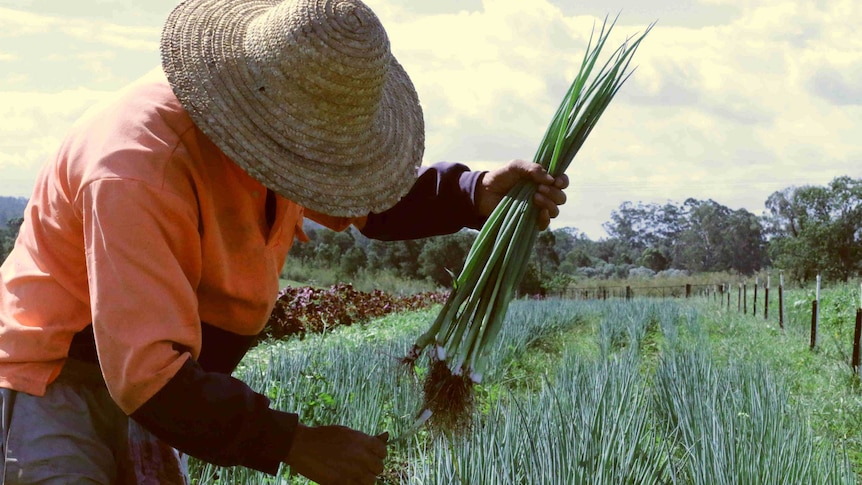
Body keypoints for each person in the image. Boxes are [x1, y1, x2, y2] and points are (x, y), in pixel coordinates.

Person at [0, 0, 568, 483]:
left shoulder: (276, 125)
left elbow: (364, 196)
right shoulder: (135, 167)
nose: (322, 177)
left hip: (159, 378)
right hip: (55, 382)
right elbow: (146, 375)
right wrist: (297, 445)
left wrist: (473, 193)